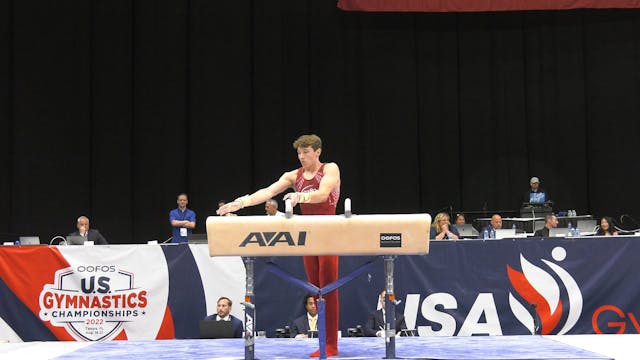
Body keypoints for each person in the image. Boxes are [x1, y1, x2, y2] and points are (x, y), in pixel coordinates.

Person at [217, 134, 340, 357]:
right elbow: (268, 192)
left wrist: (299, 198)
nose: (302, 157)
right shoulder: (294, 175)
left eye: (306, 152)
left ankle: (331, 344)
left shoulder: (330, 169)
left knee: (329, 289)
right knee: (315, 291)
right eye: (299, 153)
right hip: (308, 235)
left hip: (329, 232)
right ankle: (323, 342)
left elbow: (323, 195)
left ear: (318, 152)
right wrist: (242, 202)